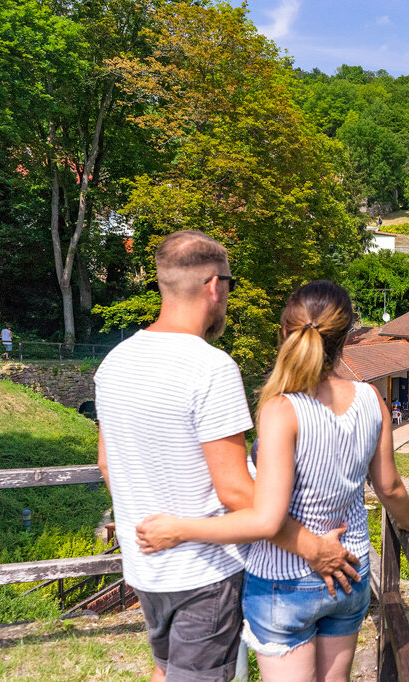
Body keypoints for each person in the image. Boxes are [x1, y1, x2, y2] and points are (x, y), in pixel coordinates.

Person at [95, 231, 359, 682]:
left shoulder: (115, 362)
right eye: (230, 287)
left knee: (166, 670)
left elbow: (107, 463)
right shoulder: (211, 368)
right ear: (214, 285)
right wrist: (314, 548)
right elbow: (237, 491)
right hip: (203, 570)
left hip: (144, 565)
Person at [136, 279, 409, 681]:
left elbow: (266, 520)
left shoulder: (282, 410)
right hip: (350, 568)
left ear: (284, 334)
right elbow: (391, 487)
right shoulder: (371, 400)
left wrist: (179, 530)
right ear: (346, 337)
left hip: (285, 580)